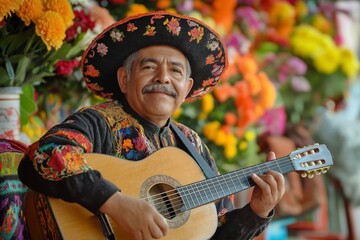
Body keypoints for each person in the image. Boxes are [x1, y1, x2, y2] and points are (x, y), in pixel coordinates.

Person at [18, 11, 285, 240]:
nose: (163, 78)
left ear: (187, 88)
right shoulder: (97, 122)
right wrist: (115, 203)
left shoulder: (192, 145)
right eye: (149, 67)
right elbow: (44, 154)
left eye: (176, 71)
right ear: (124, 80)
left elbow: (211, 229)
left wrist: (256, 211)